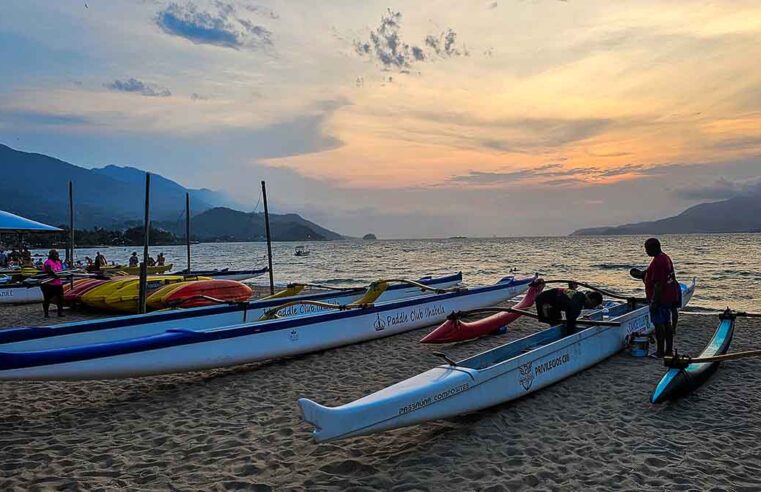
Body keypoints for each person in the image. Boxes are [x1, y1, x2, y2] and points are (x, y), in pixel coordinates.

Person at [639, 238, 681, 359]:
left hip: (661, 299)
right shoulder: (665, 258)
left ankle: (660, 351)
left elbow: (658, 284)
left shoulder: (658, 261)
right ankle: (668, 350)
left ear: (654, 248)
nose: (646, 251)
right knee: (666, 323)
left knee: (659, 325)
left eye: (647, 249)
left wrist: (654, 302)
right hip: (668, 296)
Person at [535, 285, 604, 335]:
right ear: (593, 300)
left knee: (558, 321)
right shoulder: (577, 304)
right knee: (553, 322)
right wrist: (572, 337)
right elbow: (571, 321)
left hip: (552, 301)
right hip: (544, 301)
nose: (592, 307)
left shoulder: (580, 295)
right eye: (594, 305)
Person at [41, 249, 65, 318]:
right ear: (52, 255)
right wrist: (56, 275)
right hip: (49, 284)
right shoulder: (48, 262)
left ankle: (60, 313)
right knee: (47, 299)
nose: (57, 255)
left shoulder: (58, 262)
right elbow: (50, 271)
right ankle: (46, 314)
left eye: (57, 254)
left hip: (58, 283)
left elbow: (60, 271)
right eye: (56, 254)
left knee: (61, 298)